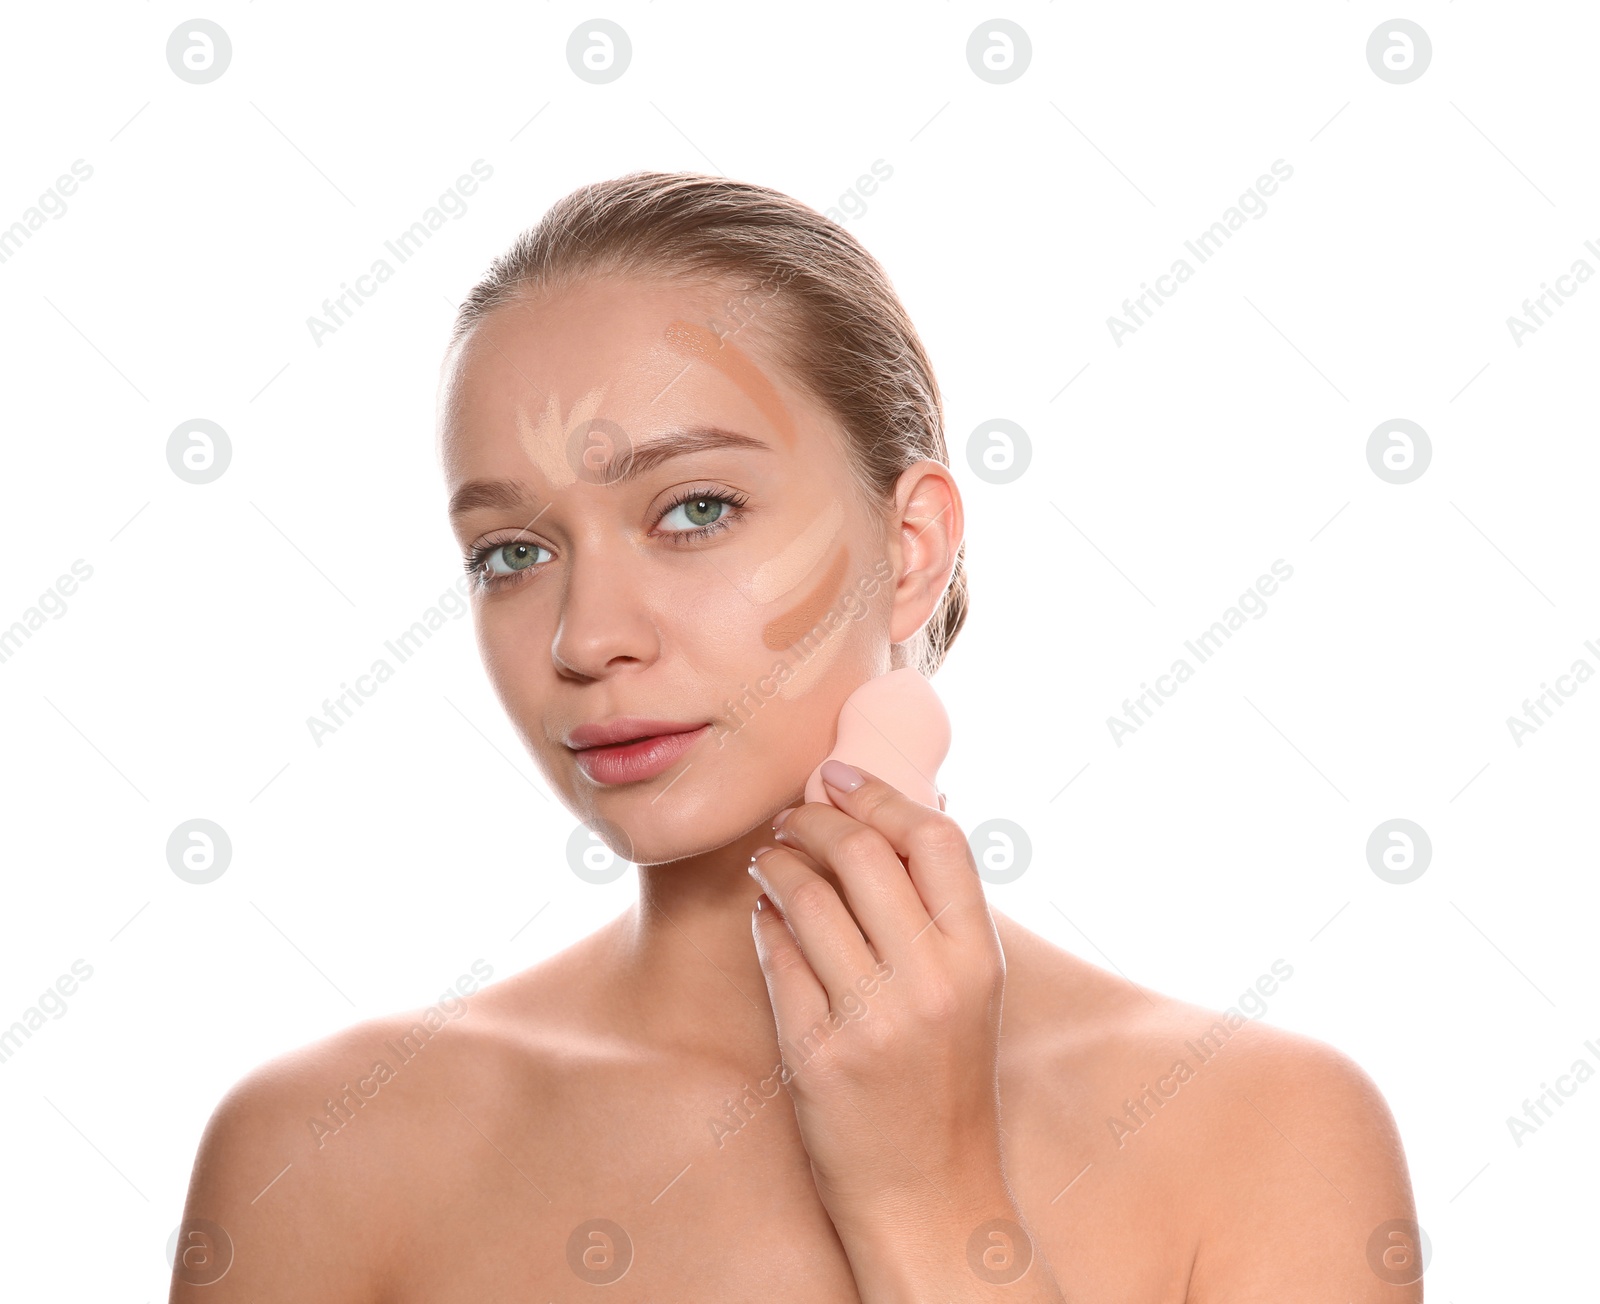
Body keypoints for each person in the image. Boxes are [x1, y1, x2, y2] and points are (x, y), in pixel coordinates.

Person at [170, 172, 1421, 1302]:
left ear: (911, 547)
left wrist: (928, 1196)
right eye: (513, 551)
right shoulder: (322, 1151)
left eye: (694, 508)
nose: (586, 635)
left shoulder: (1267, 1135)